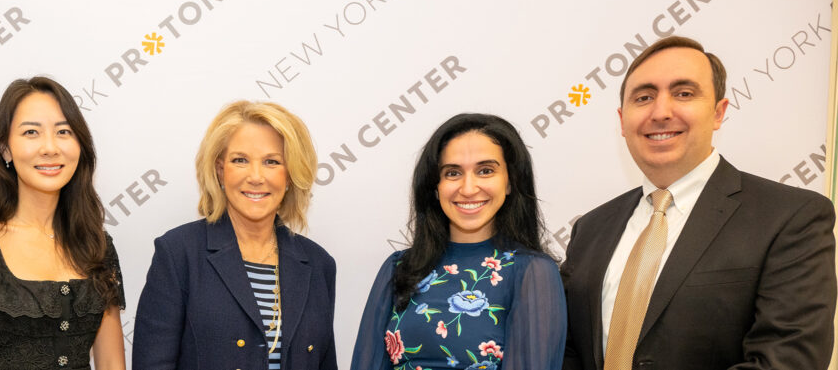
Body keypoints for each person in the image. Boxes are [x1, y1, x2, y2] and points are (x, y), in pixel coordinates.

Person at [561, 36, 837, 369]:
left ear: (719, 112)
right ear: (622, 120)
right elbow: (568, 349)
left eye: (684, 93)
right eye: (644, 97)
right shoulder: (590, 230)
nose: (661, 112)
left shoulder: (790, 218)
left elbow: (788, 359)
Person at [0, 77, 125, 370]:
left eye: (63, 131)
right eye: (31, 132)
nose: (49, 147)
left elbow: (112, 363)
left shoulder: (97, 243)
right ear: (5, 149)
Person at [351, 113, 566, 370]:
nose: (468, 188)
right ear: (435, 187)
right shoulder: (398, 267)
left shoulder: (532, 272)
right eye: (452, 173)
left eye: (485, 171)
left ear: (510, 182)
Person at [132, 100, 337, 370]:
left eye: (272, 162)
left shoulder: (319, 264)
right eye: (240, 160)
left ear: (290, 175)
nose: (255, 176)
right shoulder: (178, 253)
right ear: (220, 170)